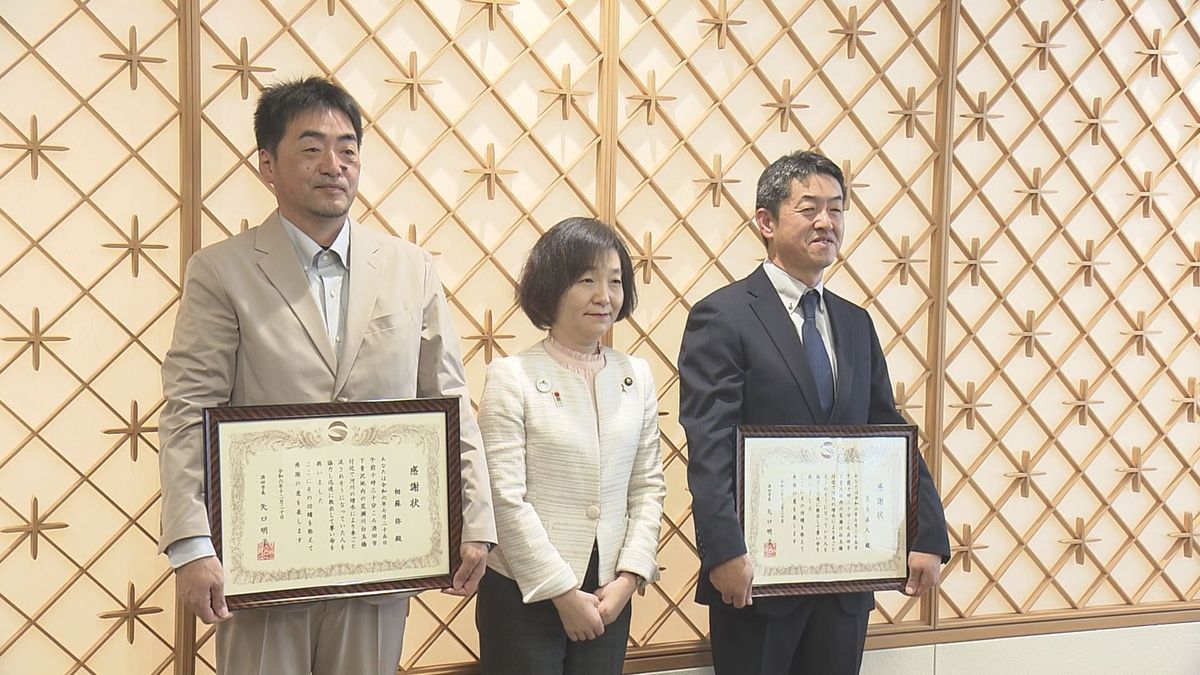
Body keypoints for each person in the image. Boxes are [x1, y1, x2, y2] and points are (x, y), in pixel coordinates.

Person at [157, 76, 496, 675]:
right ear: (268, 164)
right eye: (311, 148)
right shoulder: (221, 271)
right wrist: (190, 543)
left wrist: (475, 517)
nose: (333, 165)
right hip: (259, 560)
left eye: (348, 148)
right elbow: (189, 410)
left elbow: (447, 399)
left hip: (376, 545)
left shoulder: (410, 268)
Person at [678, 150, 950, 674]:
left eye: (837, 208)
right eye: (809, 208)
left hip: (844, 574)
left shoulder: (854, 322)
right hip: (755, 578)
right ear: (766, 221)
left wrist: (927, 534)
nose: (826, 221)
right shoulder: (723, 316)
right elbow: (709, 444)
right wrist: (724, 551)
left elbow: (888, 432)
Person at [474, 217, 667, 674]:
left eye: (615, 281)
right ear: (551, 288)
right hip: (524, 594)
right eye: (587, 280)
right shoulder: (511, 377)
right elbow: (504, 498)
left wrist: (629, 578)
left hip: (608, 596)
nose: (605, 296)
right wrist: (561, 592)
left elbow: (648, 486)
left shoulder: (635, 376)